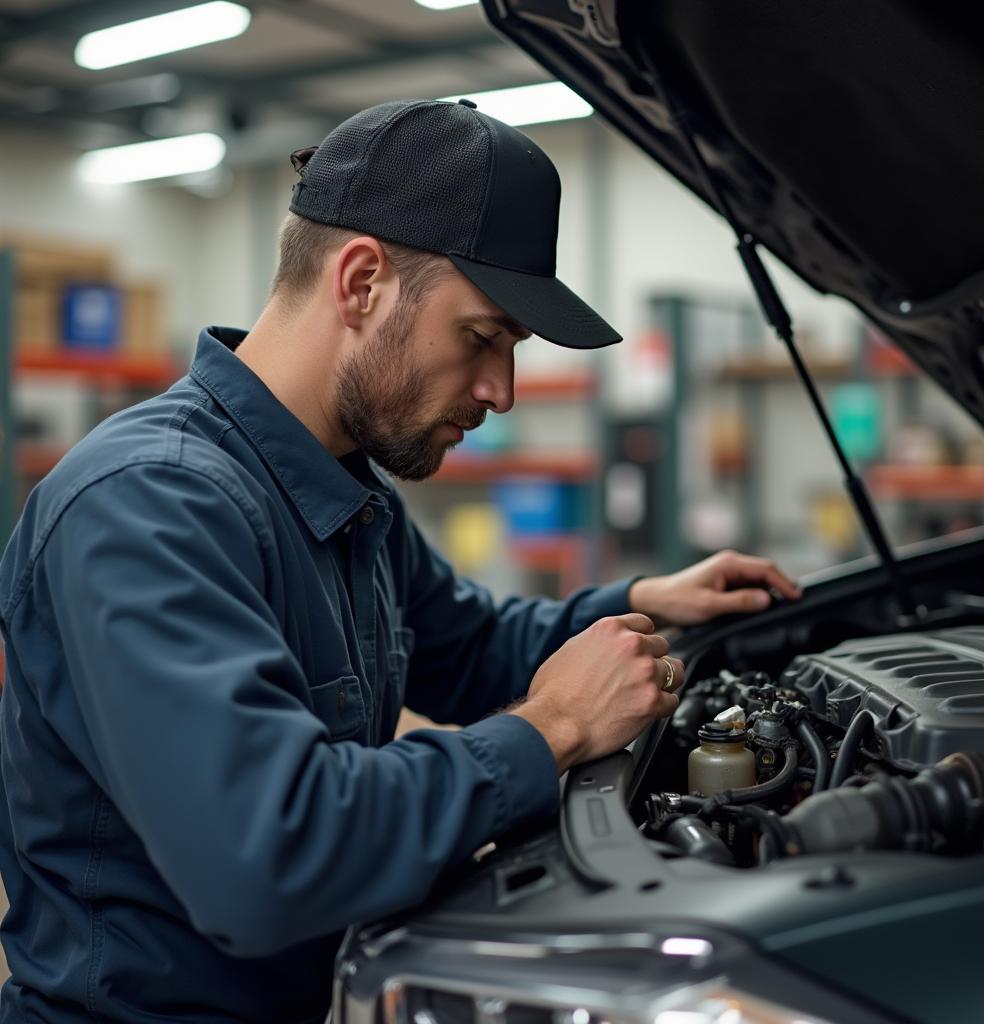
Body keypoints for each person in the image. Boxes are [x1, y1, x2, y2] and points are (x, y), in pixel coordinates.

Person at [0, 99, 800, 1024]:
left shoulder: (343, 490)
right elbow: (270, 853)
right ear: (362, 283)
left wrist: (647, 605)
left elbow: (467, 646)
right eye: (482, 337)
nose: (500, 390)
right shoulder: (150, 505)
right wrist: (550, 733)